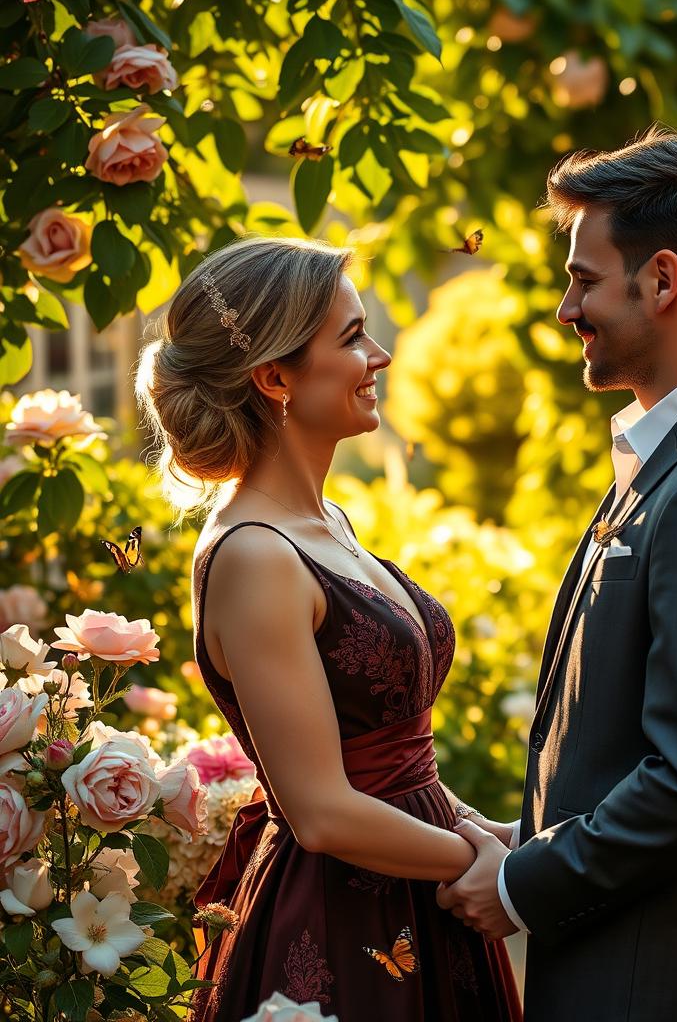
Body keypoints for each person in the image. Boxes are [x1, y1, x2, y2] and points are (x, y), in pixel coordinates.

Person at [436, 127, 677, 1022]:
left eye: (583, 279)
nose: (566, 309)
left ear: (661, 281)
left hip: (662, 975)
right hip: (634, 943)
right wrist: (523, 838)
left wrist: (525, 884)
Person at [134, 235, 522, 1022]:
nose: (378, 356)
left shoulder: (325, 521)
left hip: (417, 886)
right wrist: (486, 869)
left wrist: (493, 835)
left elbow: (383, 754)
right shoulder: (255, 557)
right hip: (348, 926)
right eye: (351, 338)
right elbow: (320, 808)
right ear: (275, 377)